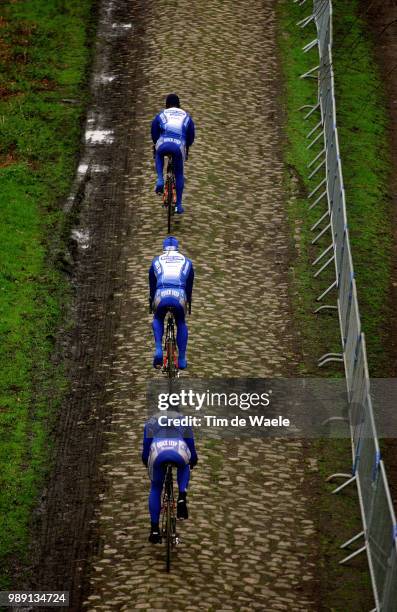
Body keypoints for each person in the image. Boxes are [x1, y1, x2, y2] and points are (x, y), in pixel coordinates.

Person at [142, 411, 198, 543]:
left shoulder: (151, 421)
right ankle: (182, 496)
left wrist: (146, 462)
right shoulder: (183, 419)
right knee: (185, 465)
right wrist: (193, 460)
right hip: (178, 450)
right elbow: (191, 445)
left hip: (158, 452)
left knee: (156, 488)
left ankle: (154, 529)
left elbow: (146, 447)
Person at [149, 236, 194, 369]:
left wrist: (152, 301)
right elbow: (189, 286)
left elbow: (152, 284)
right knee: (180, 322)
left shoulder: (156, 260)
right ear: (177, 248)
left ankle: (158, 349)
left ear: (164, 248)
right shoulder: (187, 261)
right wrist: (189, 302)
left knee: (158, 317)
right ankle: (181, 359)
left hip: (161, 295)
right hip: (179, 295)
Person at [151, 93, 195, 214]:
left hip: (163, 143)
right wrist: (187, 147)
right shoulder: (186, 116)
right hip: (178, 146)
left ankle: (160, 179)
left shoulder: (161, 114)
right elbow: (191, 138)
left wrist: (156, 144)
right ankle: (178, 205)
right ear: (179, 105)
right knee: (179, 174)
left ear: (166, 105)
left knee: (159, 153)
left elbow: (154, 132)